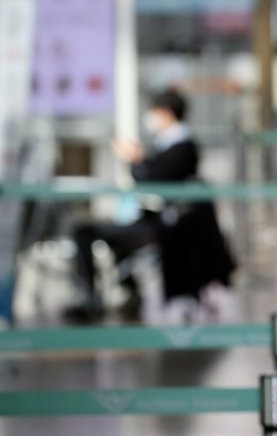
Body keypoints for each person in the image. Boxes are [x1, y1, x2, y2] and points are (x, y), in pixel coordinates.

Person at [64, 89, 199, 323]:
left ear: (166, 113)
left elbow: (153, 182)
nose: (151, 118)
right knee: (98, 233)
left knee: (84, 232)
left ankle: (89, 300)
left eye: (155, 112)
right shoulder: (171, 145)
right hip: (154, 220)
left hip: (163, 225)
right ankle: (127, 293)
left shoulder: (182, 147)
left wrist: (136, 160)